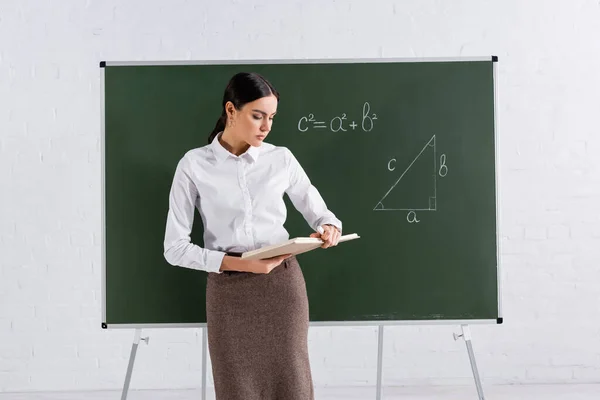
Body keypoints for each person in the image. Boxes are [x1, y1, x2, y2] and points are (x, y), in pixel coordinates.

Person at [163, 71, 343, 400]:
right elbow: (174, 249)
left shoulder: (281, 158)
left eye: (271, 117)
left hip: (282, 288)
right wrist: (240, 265)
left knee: (293, 386)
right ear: (231, 110)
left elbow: (319, 210)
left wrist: (329, 226)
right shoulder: (193, 165)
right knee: (236, 389)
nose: (266, 126)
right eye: (257, 115)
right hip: (228, 291)